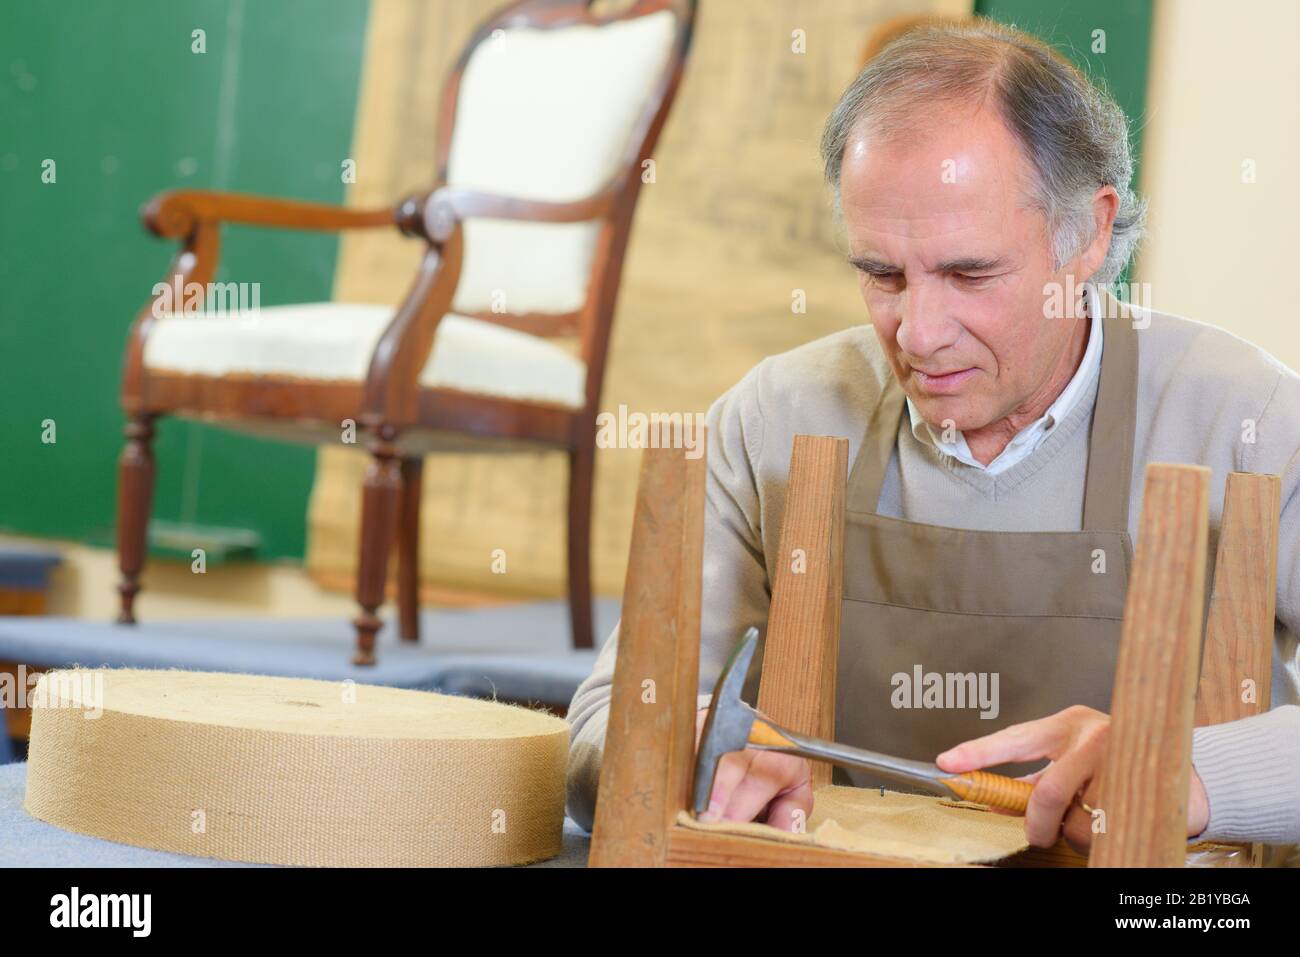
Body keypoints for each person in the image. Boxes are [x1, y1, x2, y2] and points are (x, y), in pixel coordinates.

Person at [567, 20, 1300, 855]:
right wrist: (693, 746)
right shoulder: (774, 418)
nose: (917, 332)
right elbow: (601, 722)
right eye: (881, 274)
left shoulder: (1251, 421)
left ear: (1091, 234)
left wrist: (1198, 771)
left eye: (968, 273)